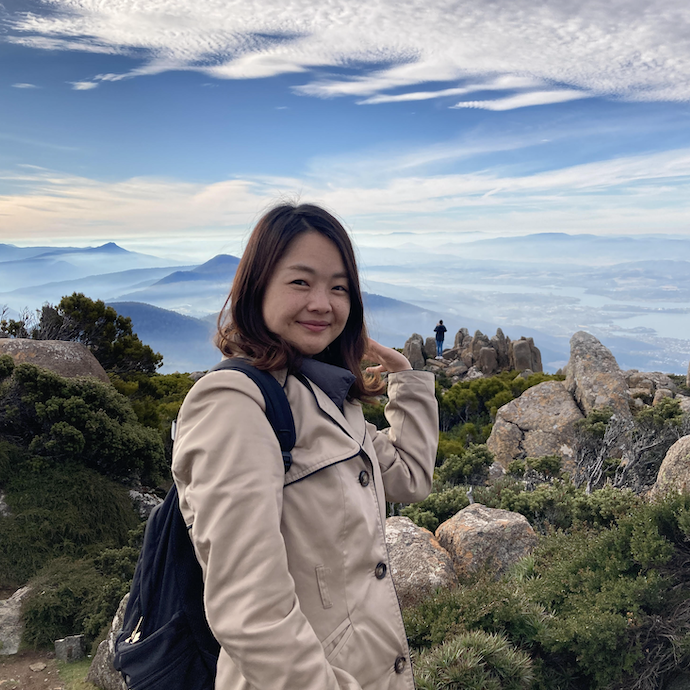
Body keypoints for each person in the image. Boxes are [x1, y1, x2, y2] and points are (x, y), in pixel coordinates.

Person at [171, 203, 439, 690]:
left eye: (339, 287)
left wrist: (406, 378)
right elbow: (250, 611)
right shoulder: (234, 403)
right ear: (258, 287)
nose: (323, 303)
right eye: (301, 282)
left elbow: (411, 479)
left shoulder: (327, 395)